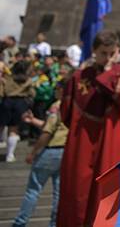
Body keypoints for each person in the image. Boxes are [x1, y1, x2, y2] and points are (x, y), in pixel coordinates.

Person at [57, 30, 120, 227]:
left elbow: (117, 94)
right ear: (94, 51)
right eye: (103, 53)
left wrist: (107, 70)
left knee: (107, 192)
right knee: (77, 191)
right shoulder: (79, 77)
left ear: (118, 51)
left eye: (112, 53)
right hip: (82, 138)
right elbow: (65, 113)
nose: (108, 58)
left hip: (110, 138)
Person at [12, 82, 68, 227]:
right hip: (65, 152)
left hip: (51, 151)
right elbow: (53, 126)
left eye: (56, 89)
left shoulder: (57, 105)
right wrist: (33, 121)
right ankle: (55, 223)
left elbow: (48, 132)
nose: (54, 91)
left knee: (33, 190)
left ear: (61, 90)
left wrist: (33, 152)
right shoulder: (74, 106)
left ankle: (20, 222)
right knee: (59, 193)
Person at [1, 59, 34, 162]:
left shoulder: (7, 78)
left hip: (7, 101)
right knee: (13, 129)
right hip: (20, 103)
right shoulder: (28, 80)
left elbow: (2, 91)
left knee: (1, 126)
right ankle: (10, 155)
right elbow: (32, 93)